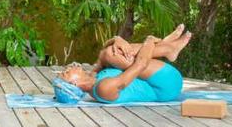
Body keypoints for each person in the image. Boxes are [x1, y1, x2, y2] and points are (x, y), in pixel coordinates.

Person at [55, 25, 192, 104]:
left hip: (157, 77)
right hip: (166, 85)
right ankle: (166, 47)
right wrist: (149, 41)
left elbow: (103, 53)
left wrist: (118, 39)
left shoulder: (93, 77)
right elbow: (140, 65)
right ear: (74, 84)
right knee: (110, 54)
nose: (67, 68)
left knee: (108, 53)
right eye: (66, 73)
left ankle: (166, 47)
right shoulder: (103, 88)